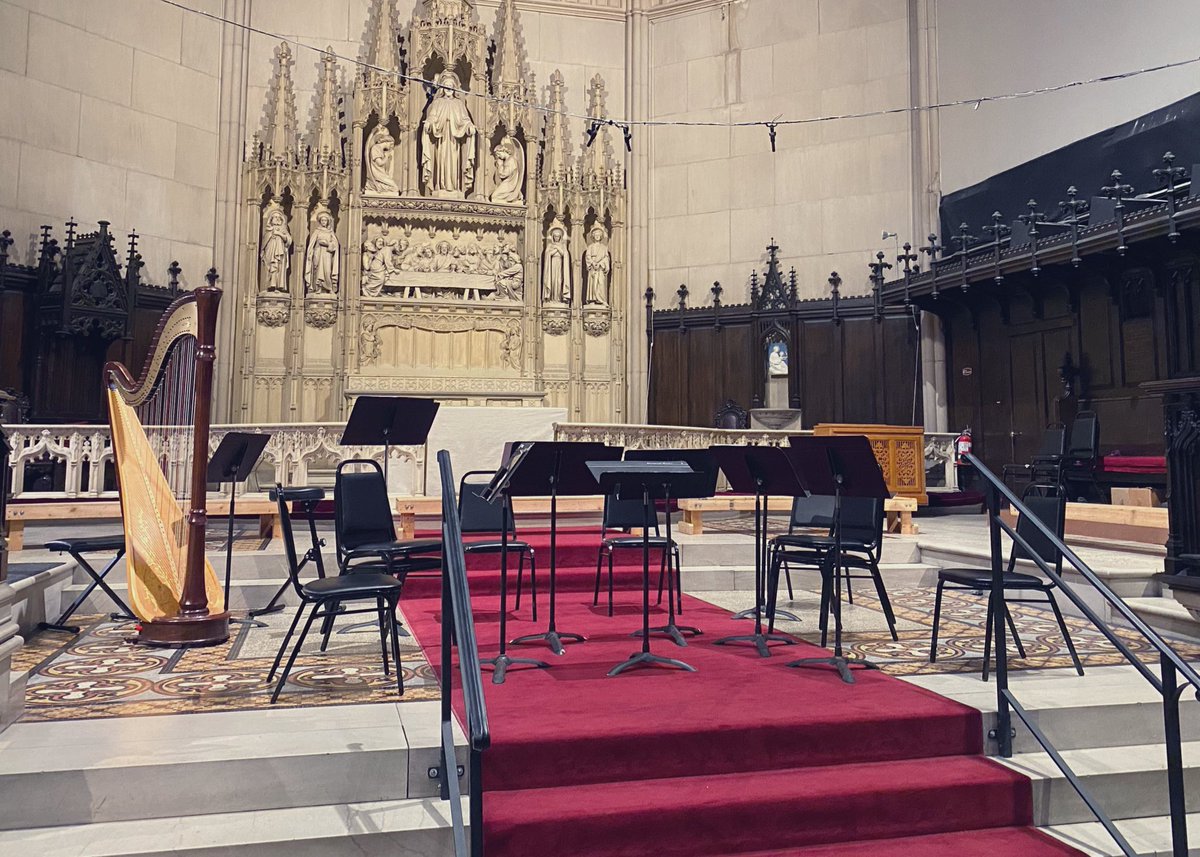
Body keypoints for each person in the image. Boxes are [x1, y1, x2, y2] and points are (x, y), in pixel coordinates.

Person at [421, 70, 477, 198]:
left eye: (451, 86)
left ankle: (454, 187)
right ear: (442, 88)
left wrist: (469, 127)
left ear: (454, 88)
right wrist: (429, 124)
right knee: (442, 163)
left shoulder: (459, 104)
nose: (449, 89)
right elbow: (432, 117)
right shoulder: (437, 103)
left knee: (453, 164)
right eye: (446, 86)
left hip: (454, 142)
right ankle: (439, 186)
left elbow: (465, 120)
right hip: (441, 141)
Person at [583, 225, 611, 305]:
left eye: (599, 235)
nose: (597, 236)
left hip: (600, 268)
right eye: (596, 235)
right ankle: (592, 299)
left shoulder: (604, 248)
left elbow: (606, 258)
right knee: (592, 284)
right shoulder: (590, 247)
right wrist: (593, 263)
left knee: (600, 284)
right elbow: (587, 257)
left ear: (601, 236)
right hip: (592, 268)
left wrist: (600, 264)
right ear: (593, 236)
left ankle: (601, 300)